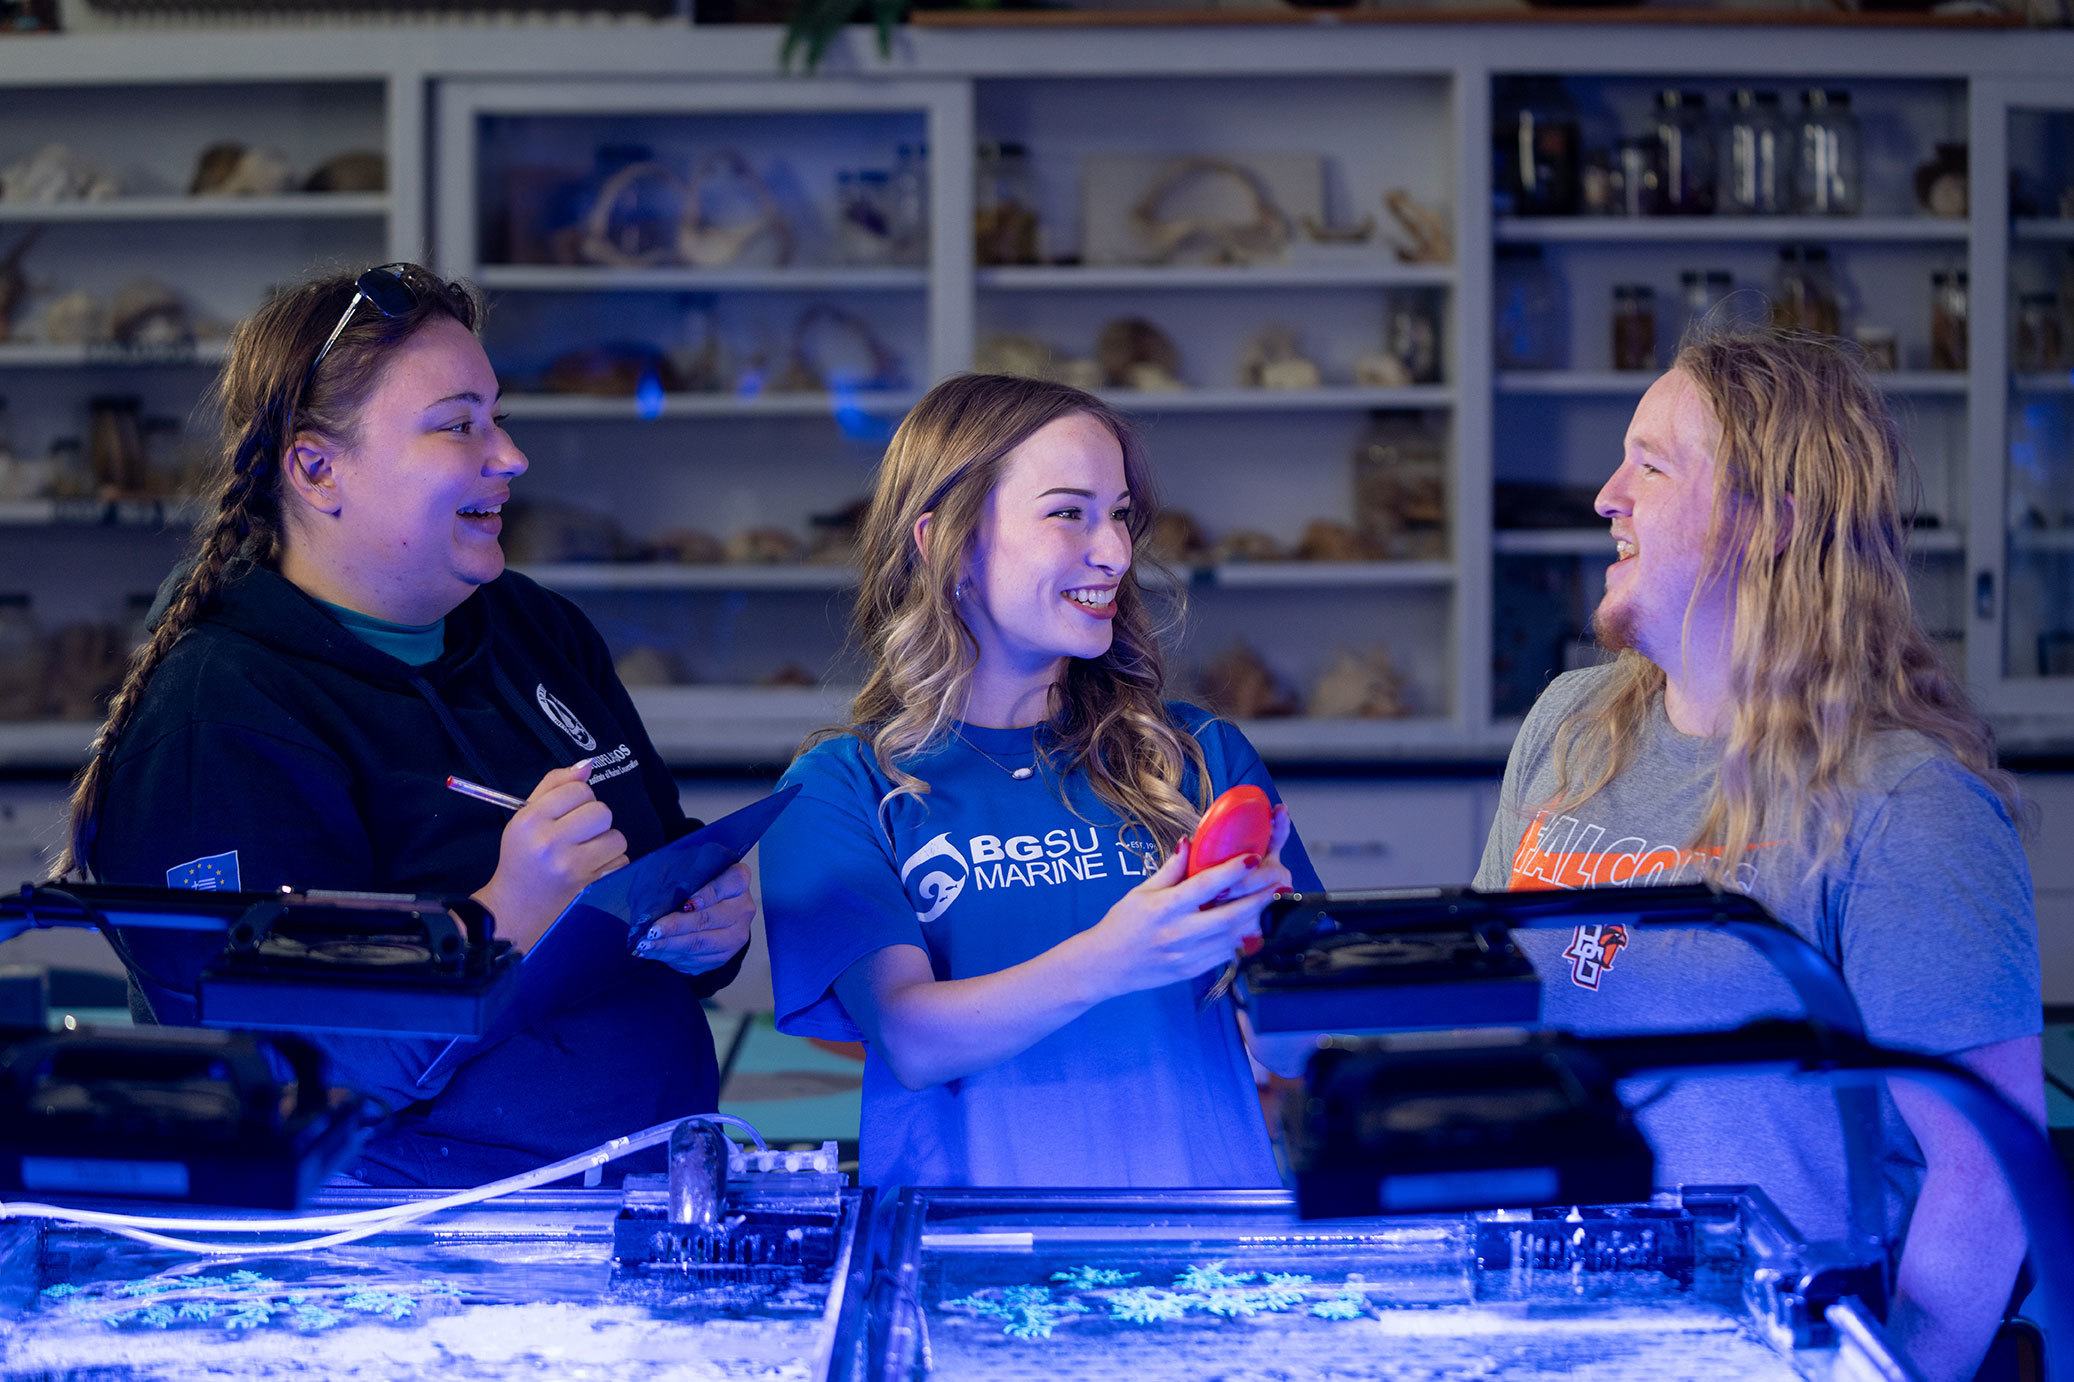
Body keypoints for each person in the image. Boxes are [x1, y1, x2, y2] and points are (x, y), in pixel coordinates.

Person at [54, 263, 754, 1186]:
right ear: (316, 467)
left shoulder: (531, 629)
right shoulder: (217, 718)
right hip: (409, 1262)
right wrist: (499, 920)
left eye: (496, 416)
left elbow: (655, 865)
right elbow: (267, 1073)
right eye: (458, 425)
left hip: (633, 1207)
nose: (508, 456)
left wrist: (708, 924)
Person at [1476, 325, 2042, 1381]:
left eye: (1650, 465)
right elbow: (1486, 1032)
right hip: (1552, 1338)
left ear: (1771, 520)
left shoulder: (1903, 799)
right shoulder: (1567, 725)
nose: (1606, 496)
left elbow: (1988, 1170)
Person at [760, 373, 1320, 1190]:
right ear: (946, 542)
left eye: (1121, 514)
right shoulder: (840, 790)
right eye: (1070, 513)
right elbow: (911, 1040)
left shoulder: (1199, 758)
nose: (1117, 552)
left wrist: (1283, 961)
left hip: (1209, 1255)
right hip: (970, 1269)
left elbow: (1301, 1047)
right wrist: (1113, 957)